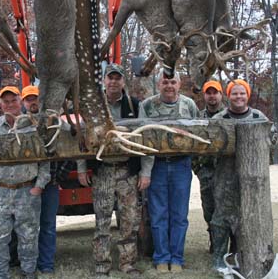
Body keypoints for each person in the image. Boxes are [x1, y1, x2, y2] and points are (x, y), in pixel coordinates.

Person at [79, 63, 150, 277]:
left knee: (129, 221)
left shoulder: (135, 105)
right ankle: (102, 266)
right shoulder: (92, 106)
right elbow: (81, 140)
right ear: (104, 80)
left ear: (123, 81)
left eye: (117, 78)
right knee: (102, 223)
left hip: (128, 172)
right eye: (110, 78)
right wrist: (82, 168)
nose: (113, 82)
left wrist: (146, 172)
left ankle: (128, 264)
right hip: (103, 172)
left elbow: (147, 139)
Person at [0, 86, 51, 279]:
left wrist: (38, 186)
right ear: (0, 104)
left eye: (13, 101)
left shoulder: (34, 125)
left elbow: (45, 160)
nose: (10, 105)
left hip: (27, 190)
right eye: (6, 101)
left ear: (21, 102)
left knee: (29, 237)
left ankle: (28, 272)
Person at [139, 69, 199, 273]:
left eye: (173, 82)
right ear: (158, 85)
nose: (169, 86)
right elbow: (143, 140)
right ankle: (161, 257)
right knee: (158, 214)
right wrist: (145, 171)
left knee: (179, 215)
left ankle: (177, 258)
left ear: (179, 85)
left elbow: (197, 133)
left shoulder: (189, 105)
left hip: (181, 164)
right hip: (157, 165)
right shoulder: (147, 105)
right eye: (165, 82)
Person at [210, 79, 269, 270]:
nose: (238, 97)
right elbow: (208, 147)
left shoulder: (258, 117)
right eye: (234, 93)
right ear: (228, 95)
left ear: (248, 95)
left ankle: (242, 256)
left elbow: (271, 141)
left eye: (242, 93)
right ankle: (218, 258)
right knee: (220, 219)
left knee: (247, 218)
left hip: (252, 179)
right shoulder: (219, 119)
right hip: (224, 178)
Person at [21, 85, 59, 273]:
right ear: (24, 103)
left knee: (48, 226)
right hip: (25, 185)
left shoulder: (54, 121)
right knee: (25, 227)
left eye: (35, 98)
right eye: (28, 99)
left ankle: (46, 265)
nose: (32, 102)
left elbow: (66, 151)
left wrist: (58, 176)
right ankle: (27, 265)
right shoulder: (18, 124)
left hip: (50, 184)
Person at [192, 80, 225, 253]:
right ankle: (214, 243)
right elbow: (192, 144)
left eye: (215, 92)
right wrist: (197, 169)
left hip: (226, 171)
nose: (212, 96)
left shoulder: (228, 116)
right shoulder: (198, 117)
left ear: (221, 94)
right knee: (209, 209)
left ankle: (230, 244)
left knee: (226, 208)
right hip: (206, 172)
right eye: (209, 93)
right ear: (204, 95)